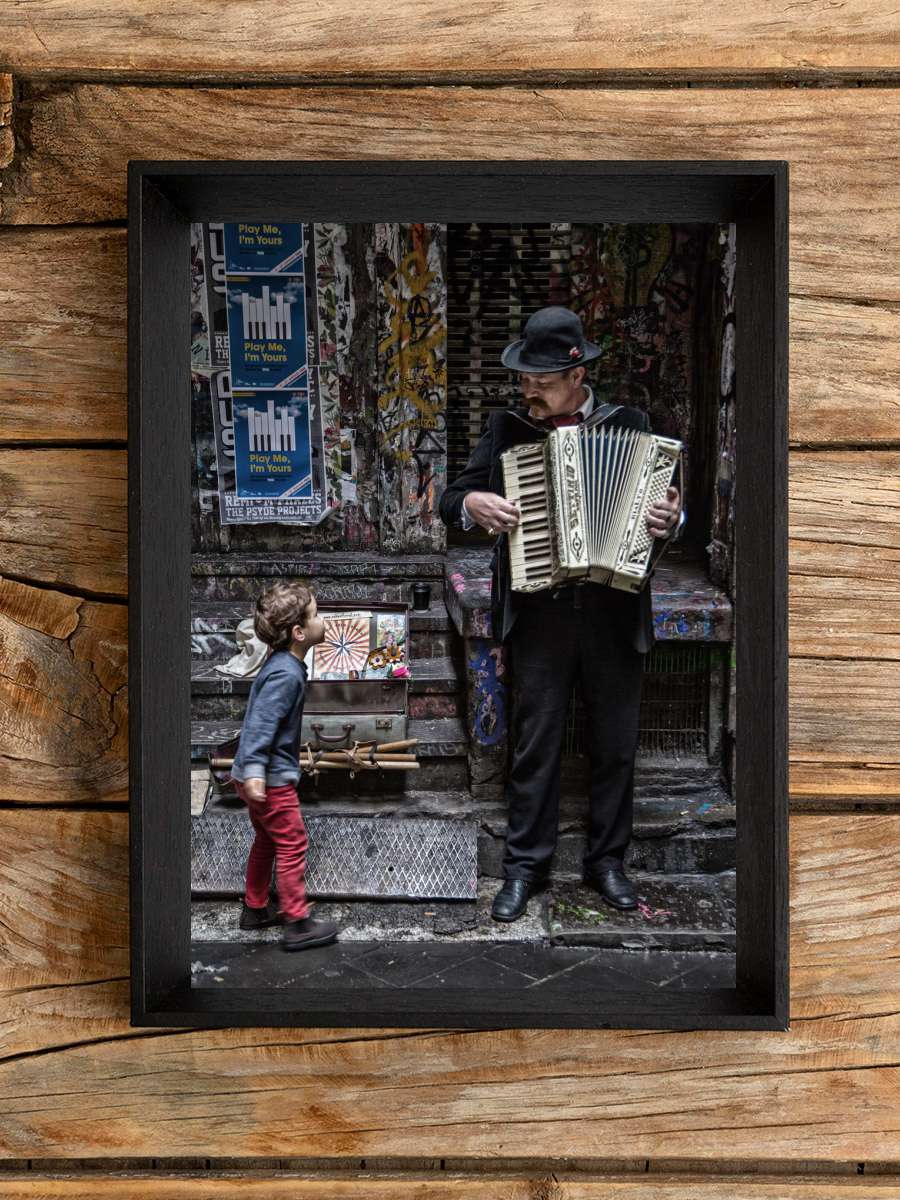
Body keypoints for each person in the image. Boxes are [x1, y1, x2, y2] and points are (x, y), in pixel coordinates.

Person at [439, 306, 683, 923]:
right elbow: (450, 500)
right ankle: (525, 869)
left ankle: (607, 864)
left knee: (615, 746)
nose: (528, 391)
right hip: (539, 612)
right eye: (524, 380)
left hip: (614, 610)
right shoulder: (507, 430)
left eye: (539, 382)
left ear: (576, 376)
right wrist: (474, 501)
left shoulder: (632, 425)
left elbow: (673, 515)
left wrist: (669, 521)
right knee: (536, 744)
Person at [230, 580, 340, 952]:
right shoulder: (285, 673)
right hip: (269, 780)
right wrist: (258, 771)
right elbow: (261, 723)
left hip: (252, 776)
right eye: (316, 615)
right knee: (292, 843)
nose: (322, 619)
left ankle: (255, 908)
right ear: (299, 632)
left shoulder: (283, 664)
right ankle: (297, 922)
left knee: (266, 839)